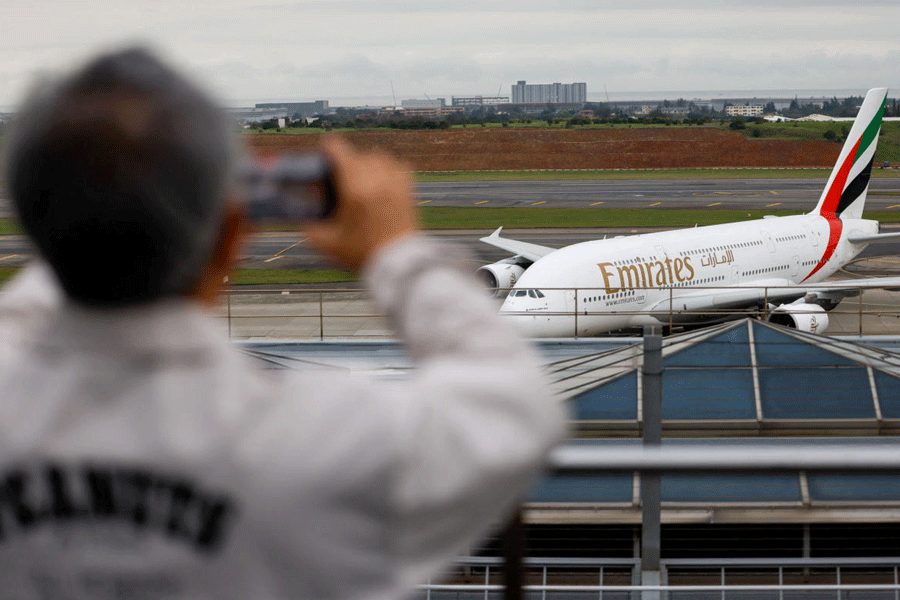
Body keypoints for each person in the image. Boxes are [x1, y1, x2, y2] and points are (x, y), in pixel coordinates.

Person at [0, 48, 567, 599]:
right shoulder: (314, 438)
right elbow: (515, 404)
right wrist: (395, 250)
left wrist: (90, 220)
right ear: (232, 235)